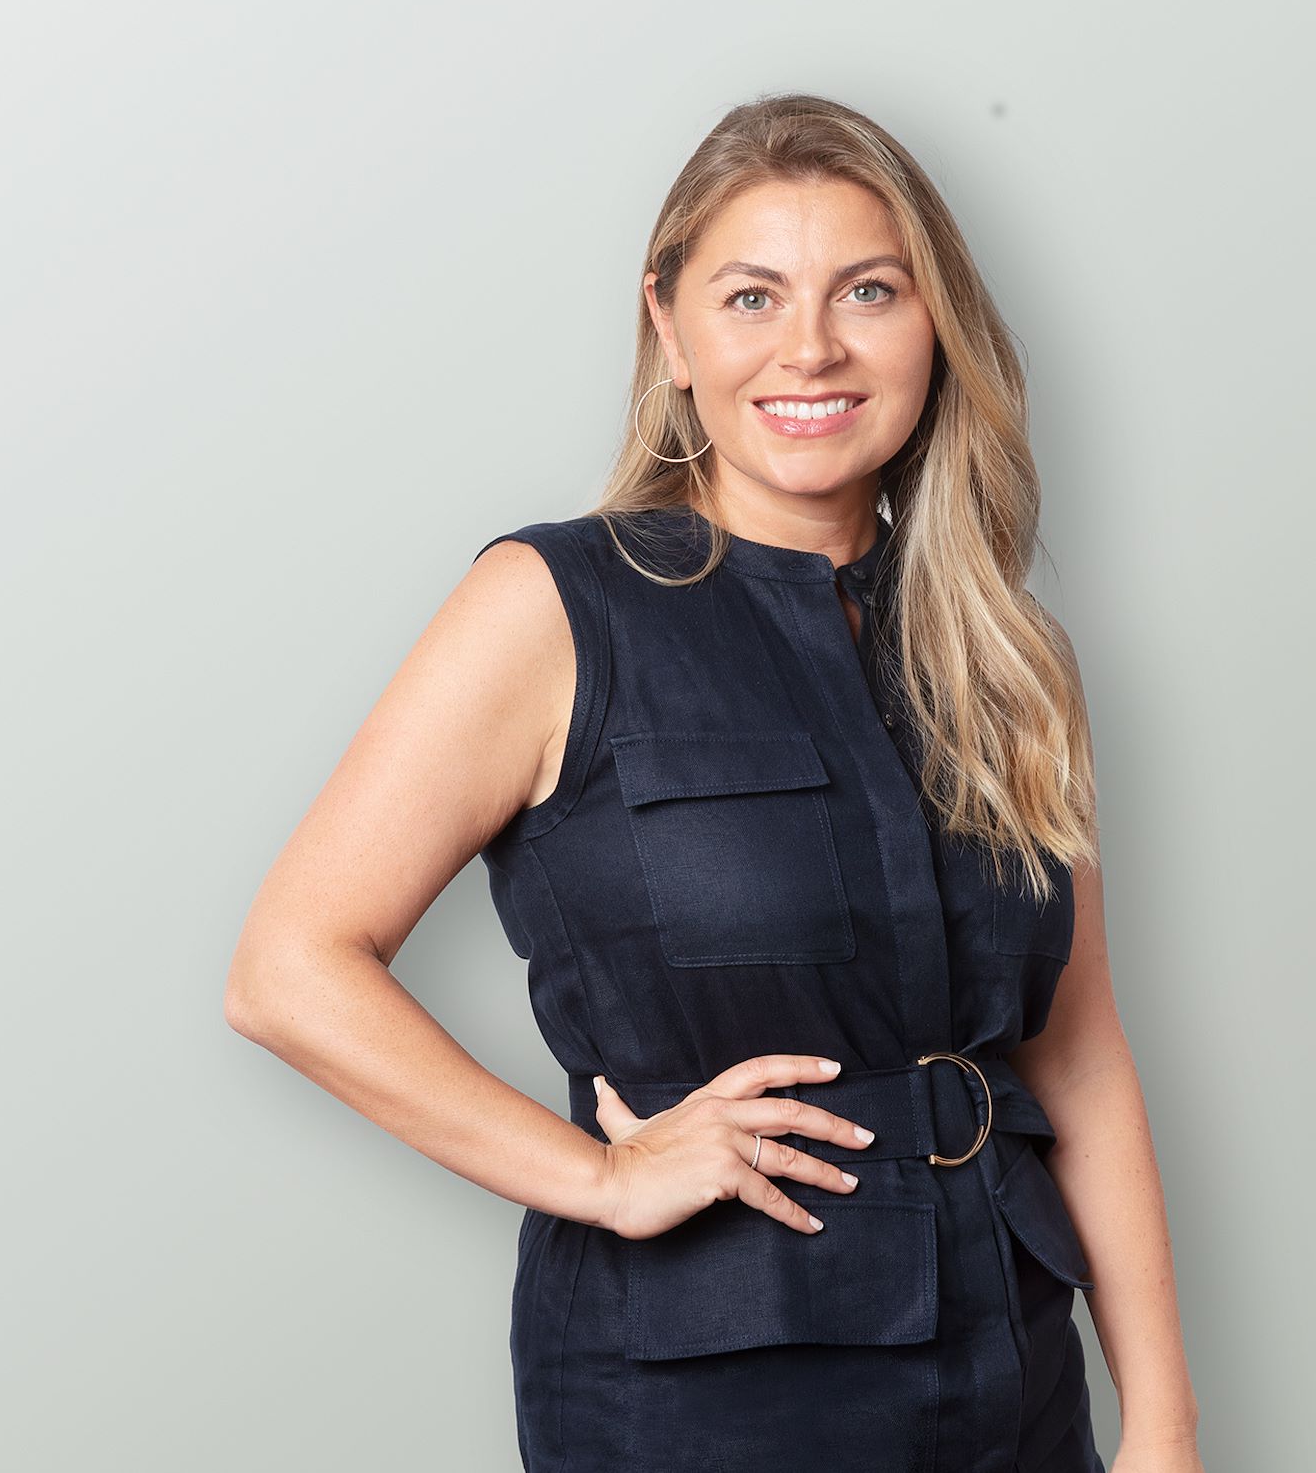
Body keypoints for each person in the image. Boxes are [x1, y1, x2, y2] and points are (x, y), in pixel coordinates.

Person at [224, 93, 1202, 1473]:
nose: (811, 347)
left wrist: (1163, 1423)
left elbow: (1078, 1052)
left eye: (869, 290)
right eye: (752, 296)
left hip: (1013, 1381)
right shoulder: (553, 608)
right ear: (670, 332)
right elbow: (287, 968)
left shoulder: (1008, 654)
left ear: (936, 327)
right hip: (702, 1397)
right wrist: (598, 1177)